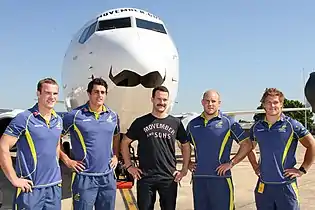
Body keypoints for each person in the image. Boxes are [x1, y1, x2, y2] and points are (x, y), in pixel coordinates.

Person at [120, 85, 191, 210]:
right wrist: (129, 166)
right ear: (152, 99)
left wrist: (184, 169)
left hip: (169, 177)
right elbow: (125, 142)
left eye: (164, 100)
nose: (161, 103)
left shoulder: (175, 123)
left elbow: (185, 145)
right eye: (158, 99)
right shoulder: (141, 122)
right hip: (146, 177)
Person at [0, 78, 63, 210]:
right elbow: (3, 146)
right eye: (47, 93)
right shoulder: (24, 118)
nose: (52, 97)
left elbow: (56, 145)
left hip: (54, 188)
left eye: (55, 94)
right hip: (31, 189)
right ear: (38, 93)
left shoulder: (58, 120)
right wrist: (14, 179)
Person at [247, 88, 315, 210]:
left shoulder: (292, 125)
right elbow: (249, 147)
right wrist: (255, 166)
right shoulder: (257, 127)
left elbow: (312, 145)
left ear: (281, 104)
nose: (272, 105)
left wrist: (302, 170)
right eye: (268, 102)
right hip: (264, 186)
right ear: (263, 104)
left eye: (275, 102)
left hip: (286, 186)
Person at [59, 78, 120, 210]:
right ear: (89, 94)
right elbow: (55, 138)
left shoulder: (113, 116)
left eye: (103, 92)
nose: (100, 95)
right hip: (84, 177)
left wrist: (116, 155)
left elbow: (116, 136)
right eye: (96, 92)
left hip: (107, 177)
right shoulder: (74, 116)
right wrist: (67, 160)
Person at [186, 90, 252, 210]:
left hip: (220, 179)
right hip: (199, 179)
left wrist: (232, 163)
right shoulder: (192, 124)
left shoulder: (228, 123)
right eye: (207, 101)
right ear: (202, 102)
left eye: (213, 101)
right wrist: (188, 163)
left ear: (219, 103)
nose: (210, 104)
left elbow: (247, 144)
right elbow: (184, 144)